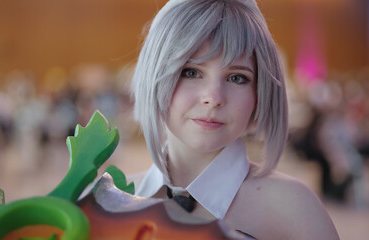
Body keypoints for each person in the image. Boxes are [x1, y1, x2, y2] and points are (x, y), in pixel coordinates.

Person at [131, 0, 339, 239]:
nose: (214, 97)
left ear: (259, 94)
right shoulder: (105, 201)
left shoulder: (296, 210)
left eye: (237, 78)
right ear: (153, 75)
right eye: (191, 72)